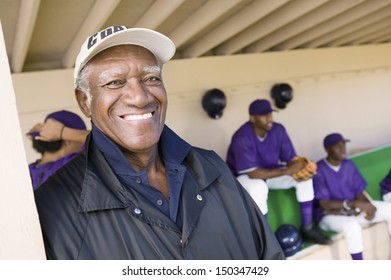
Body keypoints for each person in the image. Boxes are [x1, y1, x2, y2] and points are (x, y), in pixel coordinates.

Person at [34, 26, 284, 260]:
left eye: (151, 78)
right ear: (85, 102)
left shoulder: (212, 167)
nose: (140, 97)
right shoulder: (53, 206)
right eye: (114, 82)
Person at [226, 99, 331, 245]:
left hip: (270, 171)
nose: (269, 118)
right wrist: (288, 171)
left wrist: (300, 165)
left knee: (304, 179)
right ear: (252, 118)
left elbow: (290, 159)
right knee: (258, 188)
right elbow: (253, 174)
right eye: (263, 115)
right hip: (242, 177)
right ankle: (266, 240)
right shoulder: (241, 137)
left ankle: (307, 228)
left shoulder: (278, 130)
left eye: (270, 114)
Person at [313, 132, 391, 260]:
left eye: (343, 144)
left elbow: (359, 192)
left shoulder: (348, 165)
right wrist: (354, 204)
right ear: (327, 149)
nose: (342, 148)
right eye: (337, 146)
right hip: (328, 216)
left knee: (389, 209)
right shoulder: (319, 170)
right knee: (352, 227)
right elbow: (324, 204)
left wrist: (368, 206)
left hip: (352, 211)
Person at [27, 110, 88, 190]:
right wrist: (63, 132)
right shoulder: (73, 165)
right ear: (68, 141)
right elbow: (104, 140)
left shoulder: (28, 171)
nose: (83, 145)